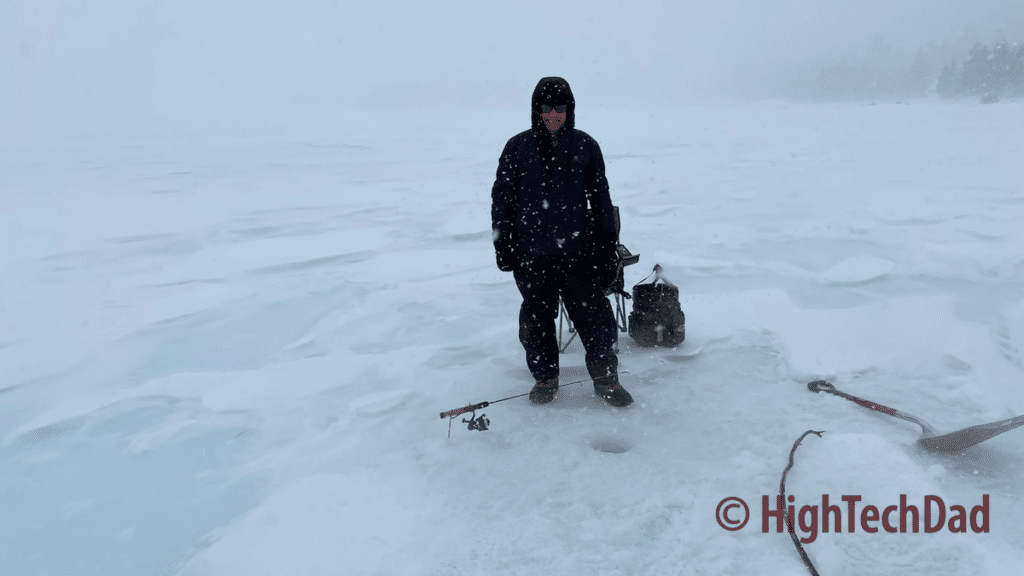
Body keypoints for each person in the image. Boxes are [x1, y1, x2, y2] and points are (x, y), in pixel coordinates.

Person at [490, 77, 633, 407]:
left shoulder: (585, 146)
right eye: (547, 107)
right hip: (531, 255)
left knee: (596, 318)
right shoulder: (517, 147)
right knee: (537, 320)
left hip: (576, 253)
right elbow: (502, 199)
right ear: (536, 110)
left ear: (570, 110)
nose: (554, 114)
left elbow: (600, 199)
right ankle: (545, 377)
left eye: (561, 107)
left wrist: (605, 246)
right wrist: (503, 243)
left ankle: (605, 380)